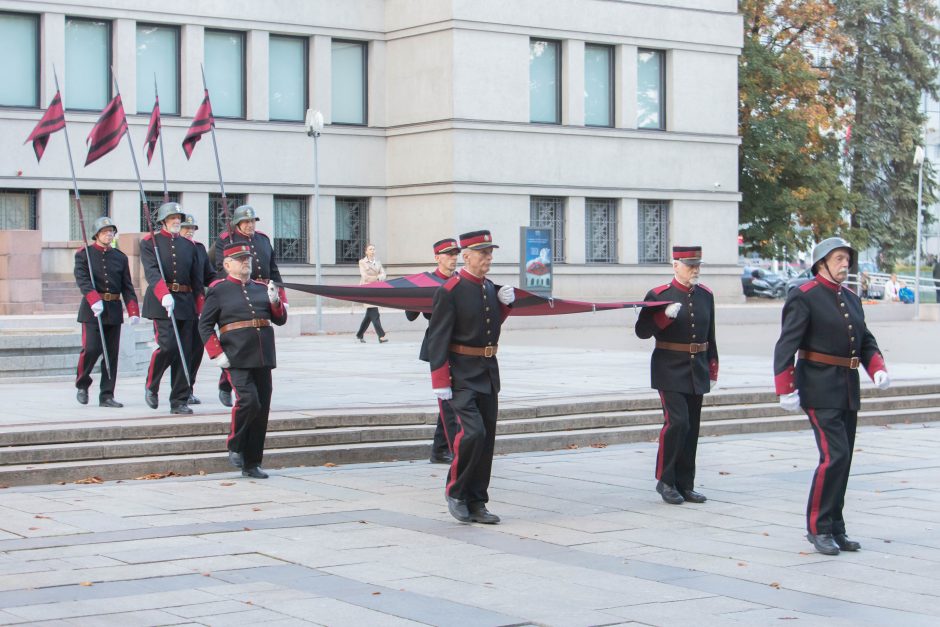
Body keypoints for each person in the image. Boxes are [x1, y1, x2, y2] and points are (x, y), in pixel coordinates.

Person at [774, 236, 890, 556]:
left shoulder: (851, 298)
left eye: (847, 259)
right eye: (839, 259)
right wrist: (785, 387)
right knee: (834, 456)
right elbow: (786, 345)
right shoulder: (804, 296)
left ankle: (835, 525)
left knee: (845, 458)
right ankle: (818, 527)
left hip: (847, 387)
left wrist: (876, 367)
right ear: (821, 262)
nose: (845, 264)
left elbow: (865, 340)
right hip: (818, 387)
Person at [427, 230, 515, 524]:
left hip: (488, 372)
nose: (489, 258)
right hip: (460, 374)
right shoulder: (450, 290)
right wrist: (440, 380)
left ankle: (478, 501)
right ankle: (456, 492)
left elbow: (487, 325)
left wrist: (504, 305)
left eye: (490, 253)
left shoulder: (489, 287)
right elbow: (437, 338)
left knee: (486, 439)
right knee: (472, 433)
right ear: (467, 256)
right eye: (483, 253)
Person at [635, 246, 718, 505]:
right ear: (675, 266)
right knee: (677, 422)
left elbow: (711, 335)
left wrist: (713, 366)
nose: (695, 269)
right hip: (669, 367)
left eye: (697, 265)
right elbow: (642, 331)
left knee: (691, 427)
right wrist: (663, 317)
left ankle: (685, 484)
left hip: (697, 368)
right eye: (689, 264)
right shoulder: (660, 294)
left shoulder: (706, 295)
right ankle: (666, 480)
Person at [199, 243, 288, 479]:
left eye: (247, 258)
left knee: (262, 410)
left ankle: (252, 462)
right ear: (228, 265)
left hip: (262, 355)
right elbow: (205, 325)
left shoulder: (260, 287)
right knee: (249, 401)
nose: (245, 262)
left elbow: (279, 320)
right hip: (236, 355)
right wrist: (217, 353)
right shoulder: (218, 290)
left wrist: (275, 302)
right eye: (240, 259)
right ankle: (235, 444)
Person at [213, 205, 285, 407]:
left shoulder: (262, 239)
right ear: (237, 224)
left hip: (262, 293)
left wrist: (280, 294)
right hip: (239, 292)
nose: (250, 225)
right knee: (238, 343)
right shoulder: (226, 240)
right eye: (246, 222)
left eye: (252, 221)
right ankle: (226, 384)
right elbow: (221, 269)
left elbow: (273, 268)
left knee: (258, 340)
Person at [141, 202, 204, 415]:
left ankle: (179, 400)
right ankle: (152, 383)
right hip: (163, 302)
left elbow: (196, 280)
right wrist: (163, 293)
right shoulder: (151, 242)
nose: (177, 221)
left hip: (185, 302)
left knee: (185, 353)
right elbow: (151, 272)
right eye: (172, 218)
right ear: (163, 221)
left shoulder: (189, 246)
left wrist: (200, 307)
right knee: (167, 346)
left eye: (179, 217)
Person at [73, 216, 140, 407]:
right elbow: (82, 279)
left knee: (111, 355)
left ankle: (107, 395)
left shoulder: (120, 257)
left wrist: (133, 310)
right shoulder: (84, 254)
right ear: (96, 234)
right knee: (92, 349)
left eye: (111, 231)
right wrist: (93, 299)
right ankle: (82, 384)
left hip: (113, 309)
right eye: (104, 232)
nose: (108, 235)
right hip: (93, 310)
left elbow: (127, 286)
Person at [405, 238, 461, 464]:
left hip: (461, 343)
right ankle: (452, 450)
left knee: (451, 399)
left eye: (456, 254)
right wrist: (415, 294)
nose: (453, 258)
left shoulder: (460, 280)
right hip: (439, 344)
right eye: (448, 254)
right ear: (437, 258)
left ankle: (439, 451)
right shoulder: (428, 281)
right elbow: (410, 315)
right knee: (446, 401)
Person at [180, 214, 216, 405]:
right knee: (177, 349)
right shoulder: (174, 250)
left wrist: (221, 284)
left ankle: (188, 388)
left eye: (192, 228)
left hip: (198, 305)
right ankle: (163, 387)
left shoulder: (200, 249)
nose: (189, 231)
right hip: (179, 304)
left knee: (196, 350)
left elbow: (209, 275)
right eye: (186, 228)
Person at [356, 244, 388, 343]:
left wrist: (380, 277)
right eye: (370, 249)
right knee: (374, 313)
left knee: (369, 315)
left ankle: (359, 334)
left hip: (375, 290)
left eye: (374, 249)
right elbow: (365, 277)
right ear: (366, 252)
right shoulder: (362, 262)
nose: (372, 251)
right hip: (366, 290)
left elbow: (384, 274)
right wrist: (378, 278)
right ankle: (381, 336)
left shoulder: (378, 262)